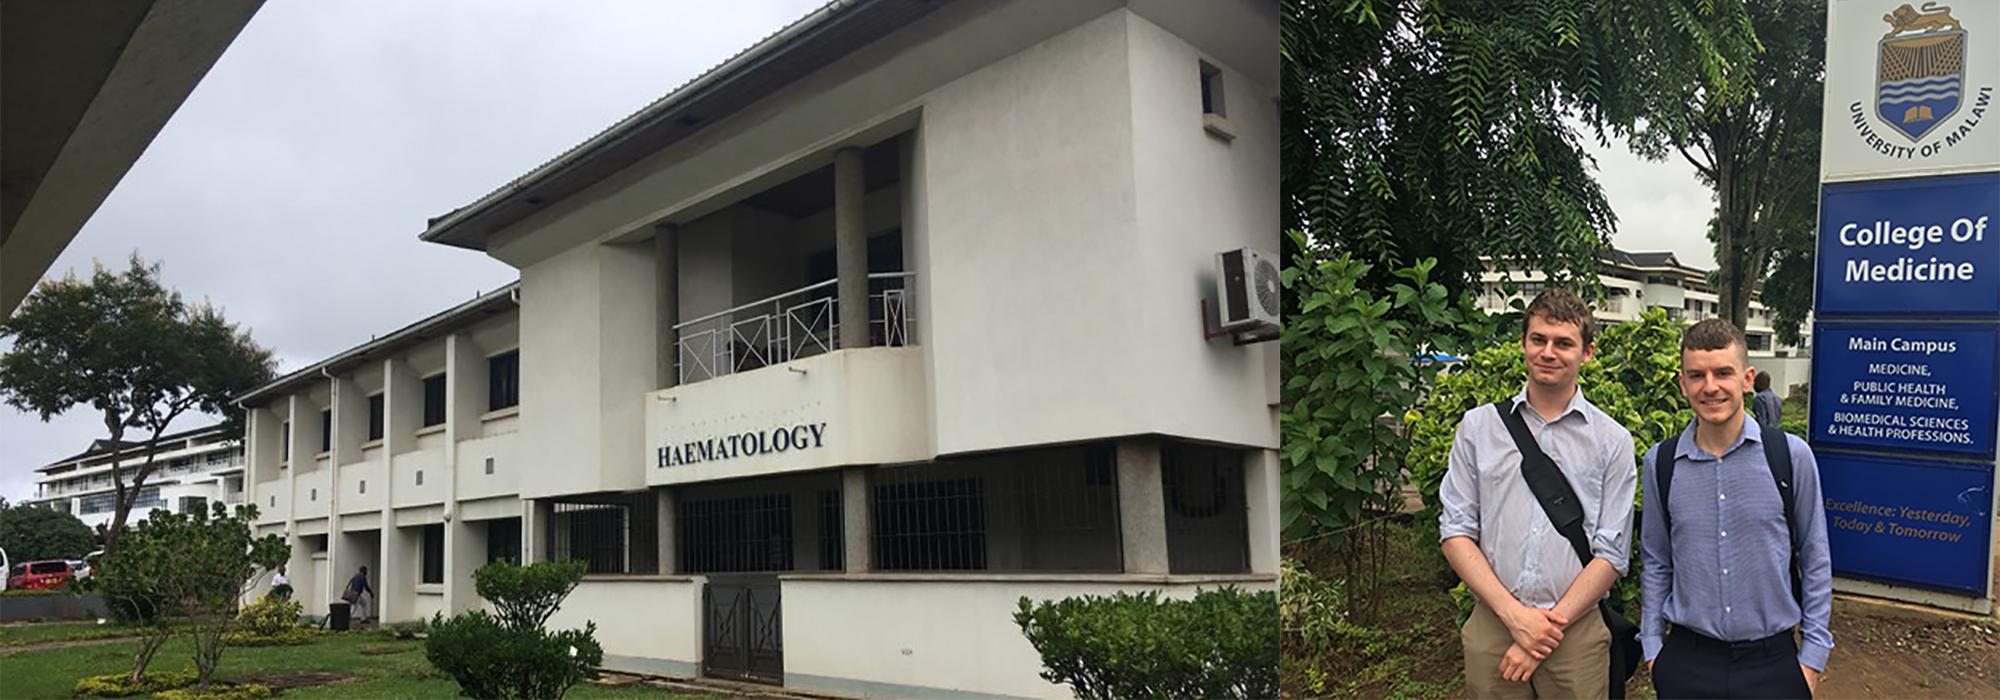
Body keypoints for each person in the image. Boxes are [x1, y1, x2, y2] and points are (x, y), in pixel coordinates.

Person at [1439, 289, 1638, 698]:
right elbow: (1456, 530)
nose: (1549, 352)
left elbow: (1612, 553)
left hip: (1576, 633)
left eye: (1564, 343)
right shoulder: (1479, 429)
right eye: (1539, 339)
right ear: (1523, 343)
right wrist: (1515, 618)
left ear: (1587, 353)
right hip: (1494, 623)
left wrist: (1544, 630)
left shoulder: (1612, 441)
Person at [1641, 319, 1832, 698]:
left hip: (1773, 666)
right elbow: (1656, 559)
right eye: (1697, 375)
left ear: (1746, 379)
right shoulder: (1660, 464)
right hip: (1685, 663)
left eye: (1722, 373)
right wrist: (1652, 648)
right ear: (1683, 385)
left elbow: (1815, 557)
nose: (1710, 387)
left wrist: (1811, 657)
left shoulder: (1790, 457)